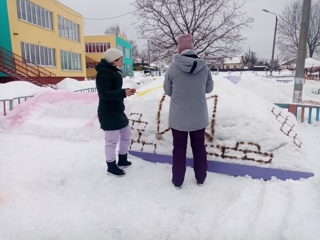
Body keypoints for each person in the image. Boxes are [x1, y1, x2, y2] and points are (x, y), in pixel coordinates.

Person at [163, 34, 214, 189]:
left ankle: (178, 180)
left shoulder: (172, 68)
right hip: (198, 118)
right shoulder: (204, 68)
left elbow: (167, 90)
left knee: (179, 148)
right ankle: (201, 178)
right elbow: (209, 88)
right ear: (192, 47)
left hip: (179, 118)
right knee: (199, 147)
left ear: (179, 48)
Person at [95, 48, 135, 176]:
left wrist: (125, 91)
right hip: (108, 113)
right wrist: (123, 93)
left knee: (126, 134)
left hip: (118, 111)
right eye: (121, 60)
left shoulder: (111, 71)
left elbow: (113, 89)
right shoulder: (103, 73)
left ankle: (122, 159)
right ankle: (111, 166)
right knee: (111, 141)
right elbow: (104, 94)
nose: (122, 62)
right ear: (113, 61)